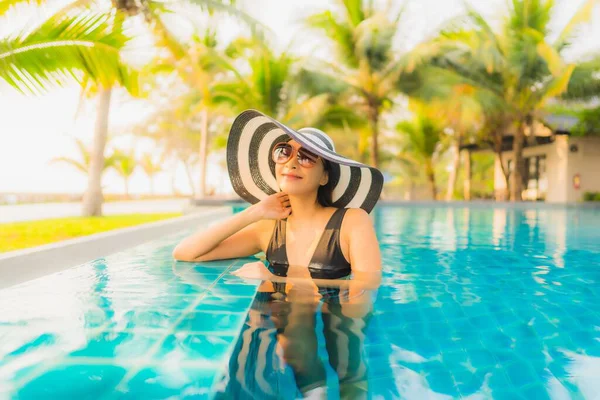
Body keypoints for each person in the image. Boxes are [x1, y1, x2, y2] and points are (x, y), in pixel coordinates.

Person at [172, 109, 384, 398]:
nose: (292, 162)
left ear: (324, 176)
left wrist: (274, 278)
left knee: (346, 340)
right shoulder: (267, 228)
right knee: (291, 309)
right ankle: (314, 390)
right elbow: (185, 253)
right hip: (294, 314)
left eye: (307, 156)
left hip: (343, 307)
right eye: (285, 151)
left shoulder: (352, 220)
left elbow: (367, 285)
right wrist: (253, 212)